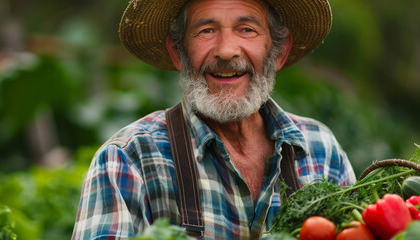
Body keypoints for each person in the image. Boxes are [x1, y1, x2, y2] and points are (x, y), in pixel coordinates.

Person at [73, 0, 356, 238]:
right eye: (206, 30)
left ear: (278, 52)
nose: (226, 50)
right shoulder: (128, 160)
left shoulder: (322, 150)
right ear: (178, 53)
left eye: (247, 29)